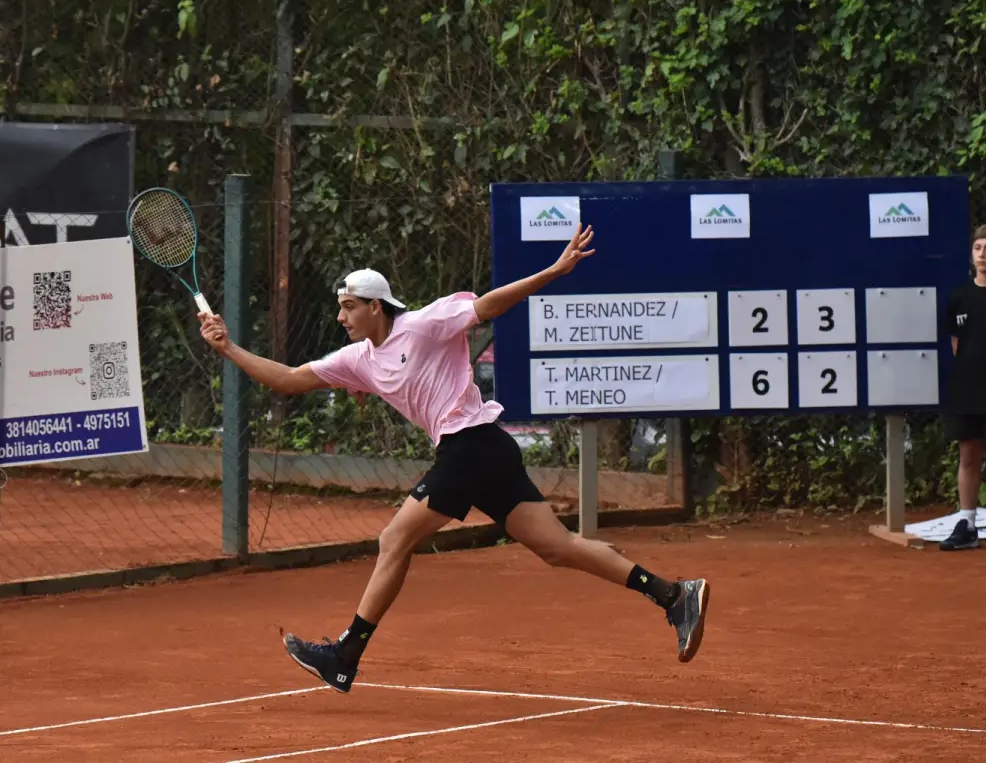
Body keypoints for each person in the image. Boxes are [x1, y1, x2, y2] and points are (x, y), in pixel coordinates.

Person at [198, 226, 710, 693]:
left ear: (376, 306)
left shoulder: (422, 325)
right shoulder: (357, 360)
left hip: (471, 445)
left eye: (349, 306)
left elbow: (487, 306)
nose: (341, 316)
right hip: (484, 451)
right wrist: (228, 349)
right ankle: (673, 595)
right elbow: (289, 378)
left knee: (393, 538)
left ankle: (345, 655)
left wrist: (552, 272)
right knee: (559, 548)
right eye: (340, 306)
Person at [940, 222, 986, 552]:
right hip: (966, 389)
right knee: (967, 456)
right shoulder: (959, 298)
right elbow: (957, 345)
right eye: (978, 248)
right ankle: (967, 524)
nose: (982, 254)